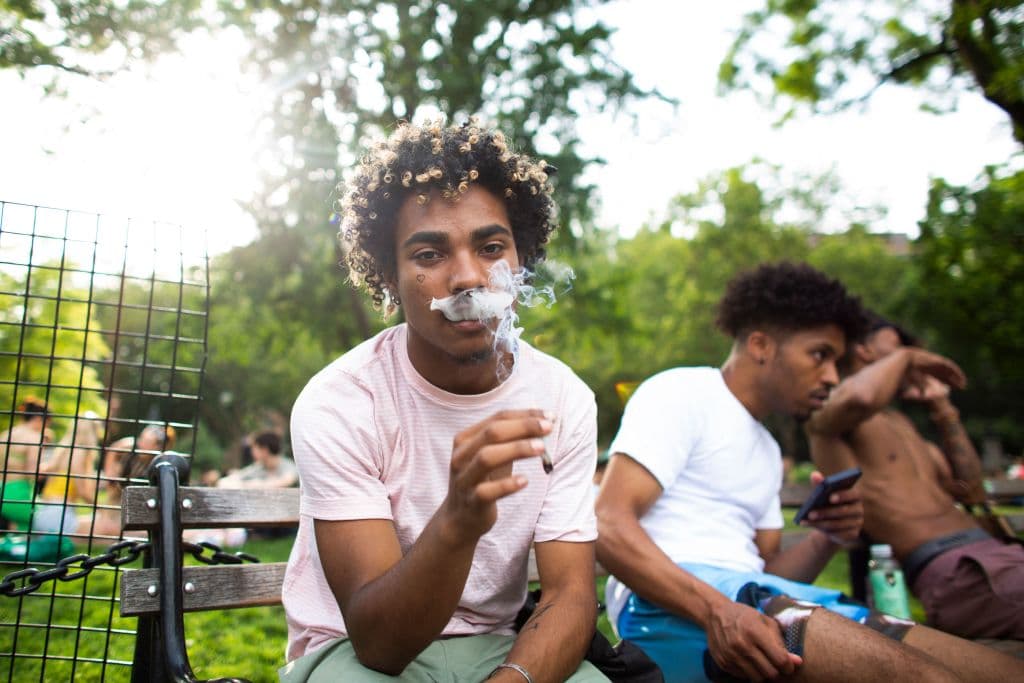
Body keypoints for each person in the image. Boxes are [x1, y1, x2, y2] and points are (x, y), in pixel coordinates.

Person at [279, 119, 604, 682]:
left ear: (521, 260)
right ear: (388, 275)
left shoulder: (564, 399)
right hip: (355, 655)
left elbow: (571, 594)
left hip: (499, 652)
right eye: (429, 254)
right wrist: (458, 521)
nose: (467, 278)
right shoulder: (340, 402)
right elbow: (379, 642)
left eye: (492, 247)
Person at [595, 262, 1024, 683]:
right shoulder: (682, 391)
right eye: (820, 355)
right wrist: (715, 610)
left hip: (755, 598)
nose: (831, 376)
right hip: (669, 609)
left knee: (1000, 672)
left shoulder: (767, 448)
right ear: (762, 345)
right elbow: (608, 522)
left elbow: (771, 573)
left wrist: (827, 537)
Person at [806, 313, 1024, 642]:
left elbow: (972, 490)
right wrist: (907, 357)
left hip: (999, 554)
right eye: (896, 344)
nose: (908, 352)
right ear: (863, 349)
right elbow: (861, 397)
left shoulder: (905, 427)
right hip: (957, 570)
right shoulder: (829, 418)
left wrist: (942, 407)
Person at [88, 423, 176, 538]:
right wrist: (111, 472)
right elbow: (113, 449)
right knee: (113, 513)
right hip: (119, 487)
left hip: (138, 493)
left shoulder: (158, 460)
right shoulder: (129, 446)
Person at [32, 412, 105, 537]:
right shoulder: (80, 452)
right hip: (58, 516)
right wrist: (104, 509)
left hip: (42, 513)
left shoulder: (63, 450)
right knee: (106, 527)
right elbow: (83, 493)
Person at [1, 398, 52, 528]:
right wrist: (51, 468)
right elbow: (32, 474)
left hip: (2, 488)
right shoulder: (33, 437)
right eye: (46, 423)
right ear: (38, 419)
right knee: (49, 521)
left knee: (20, 528)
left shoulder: (6, 434)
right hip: (18, 494)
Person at [216, 431, 297, 489]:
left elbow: (286, 481)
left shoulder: (289, 466)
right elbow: (241, 475)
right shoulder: (260, 466)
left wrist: (252, 484)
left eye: (254, 448)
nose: (251, 451)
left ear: (265, 450)